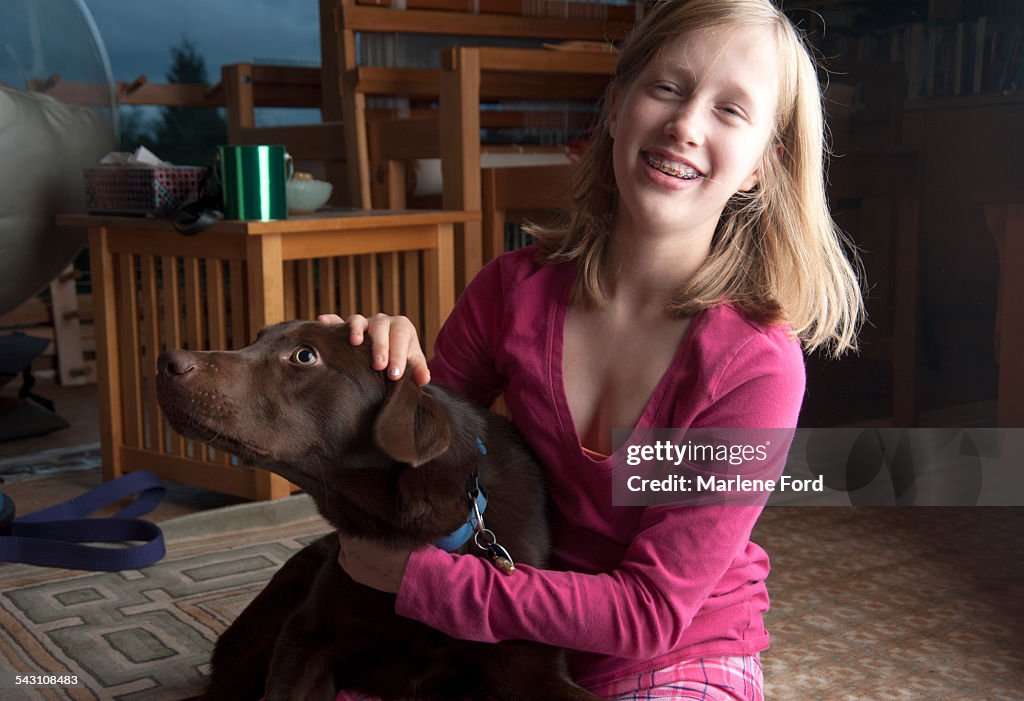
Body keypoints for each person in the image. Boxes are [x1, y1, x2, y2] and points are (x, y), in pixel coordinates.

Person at [320, 0, 863, 698]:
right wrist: (361, 372)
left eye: (730, 111)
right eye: (667, 88)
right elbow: (411, 468)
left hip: (674, 654)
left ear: (762, 166)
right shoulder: (510, 290)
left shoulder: (755, 363)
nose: (685, 125)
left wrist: (427, 582)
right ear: (615, 106)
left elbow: (649, 612)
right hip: (512, 641)